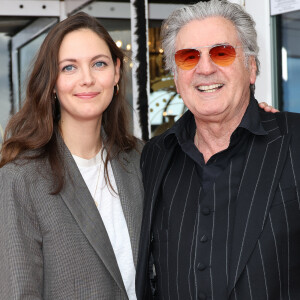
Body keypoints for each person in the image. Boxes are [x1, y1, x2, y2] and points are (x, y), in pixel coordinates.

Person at [136, 1, 300, 299]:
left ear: (251, 68)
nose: (205, 68)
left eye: (222, 53)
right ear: (176, 78)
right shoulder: (155, 156)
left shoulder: (295, 141)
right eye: (188, 57)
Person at [0, 12, 144, 300]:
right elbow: (19, 292)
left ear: (116, 72)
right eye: (69, 68)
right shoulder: (20, 178)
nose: (87, 79)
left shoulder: (141, 159)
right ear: (51, 81)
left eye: (99, 64)